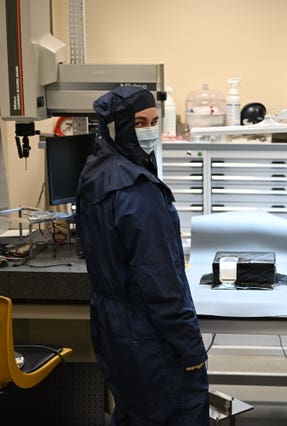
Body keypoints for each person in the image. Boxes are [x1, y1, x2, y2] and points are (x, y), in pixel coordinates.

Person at [76, 86, 209, 425]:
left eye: (153, 121)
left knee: (134, 411)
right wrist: (189, 345)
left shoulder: (95, 172)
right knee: (175, 411)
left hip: (112, 325)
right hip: (147, 331)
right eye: (138, 122)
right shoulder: (136, 188)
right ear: (117, 126)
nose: (149, 130)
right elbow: (159, 280)